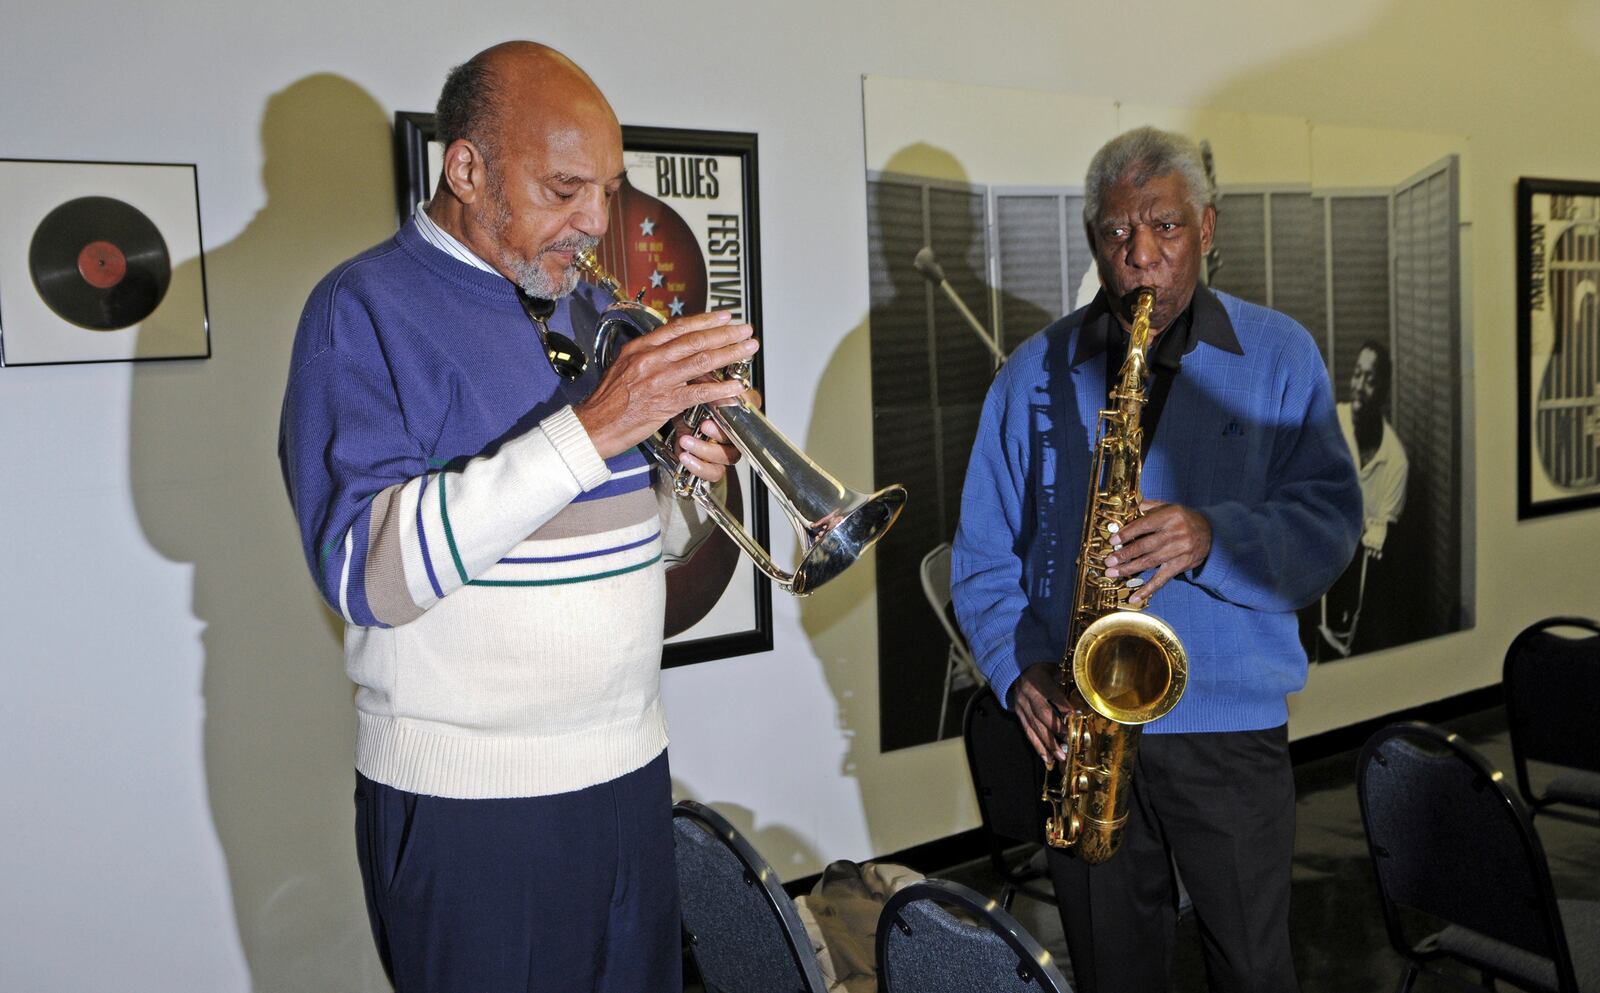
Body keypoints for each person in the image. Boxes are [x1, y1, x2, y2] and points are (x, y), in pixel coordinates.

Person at [278, 41, 756, 993]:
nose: (595, 224)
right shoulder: (361, 308)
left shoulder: (582, 308)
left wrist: (694, 487)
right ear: (465, 168)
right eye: (565, 188)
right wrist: (595, 426)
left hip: (628, 772)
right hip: (471, 806)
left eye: (610, 190)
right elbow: (364, 576)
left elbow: (640, 542)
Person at [951, 126, 1362, 993]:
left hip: (1229, 728)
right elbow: (983, 558)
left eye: (1165, 229)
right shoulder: (1031, 371)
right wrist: (1019, 668)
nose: (1140, 258)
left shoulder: (1280, 353)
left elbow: (1330, 524)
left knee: (1253, 968)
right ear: (1094, 237)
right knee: (1111, 972)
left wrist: (1212, 537)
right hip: (1083, 727)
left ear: (1207, 228)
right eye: (1115, 234)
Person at [1316, 340, 1410, 655]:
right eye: (1357, 375)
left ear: (1384, 390)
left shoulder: (1395, 461)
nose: (1359, 386)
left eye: (1370, 380)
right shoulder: (1332, 423)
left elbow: (1382, 537)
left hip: (1361, 577)